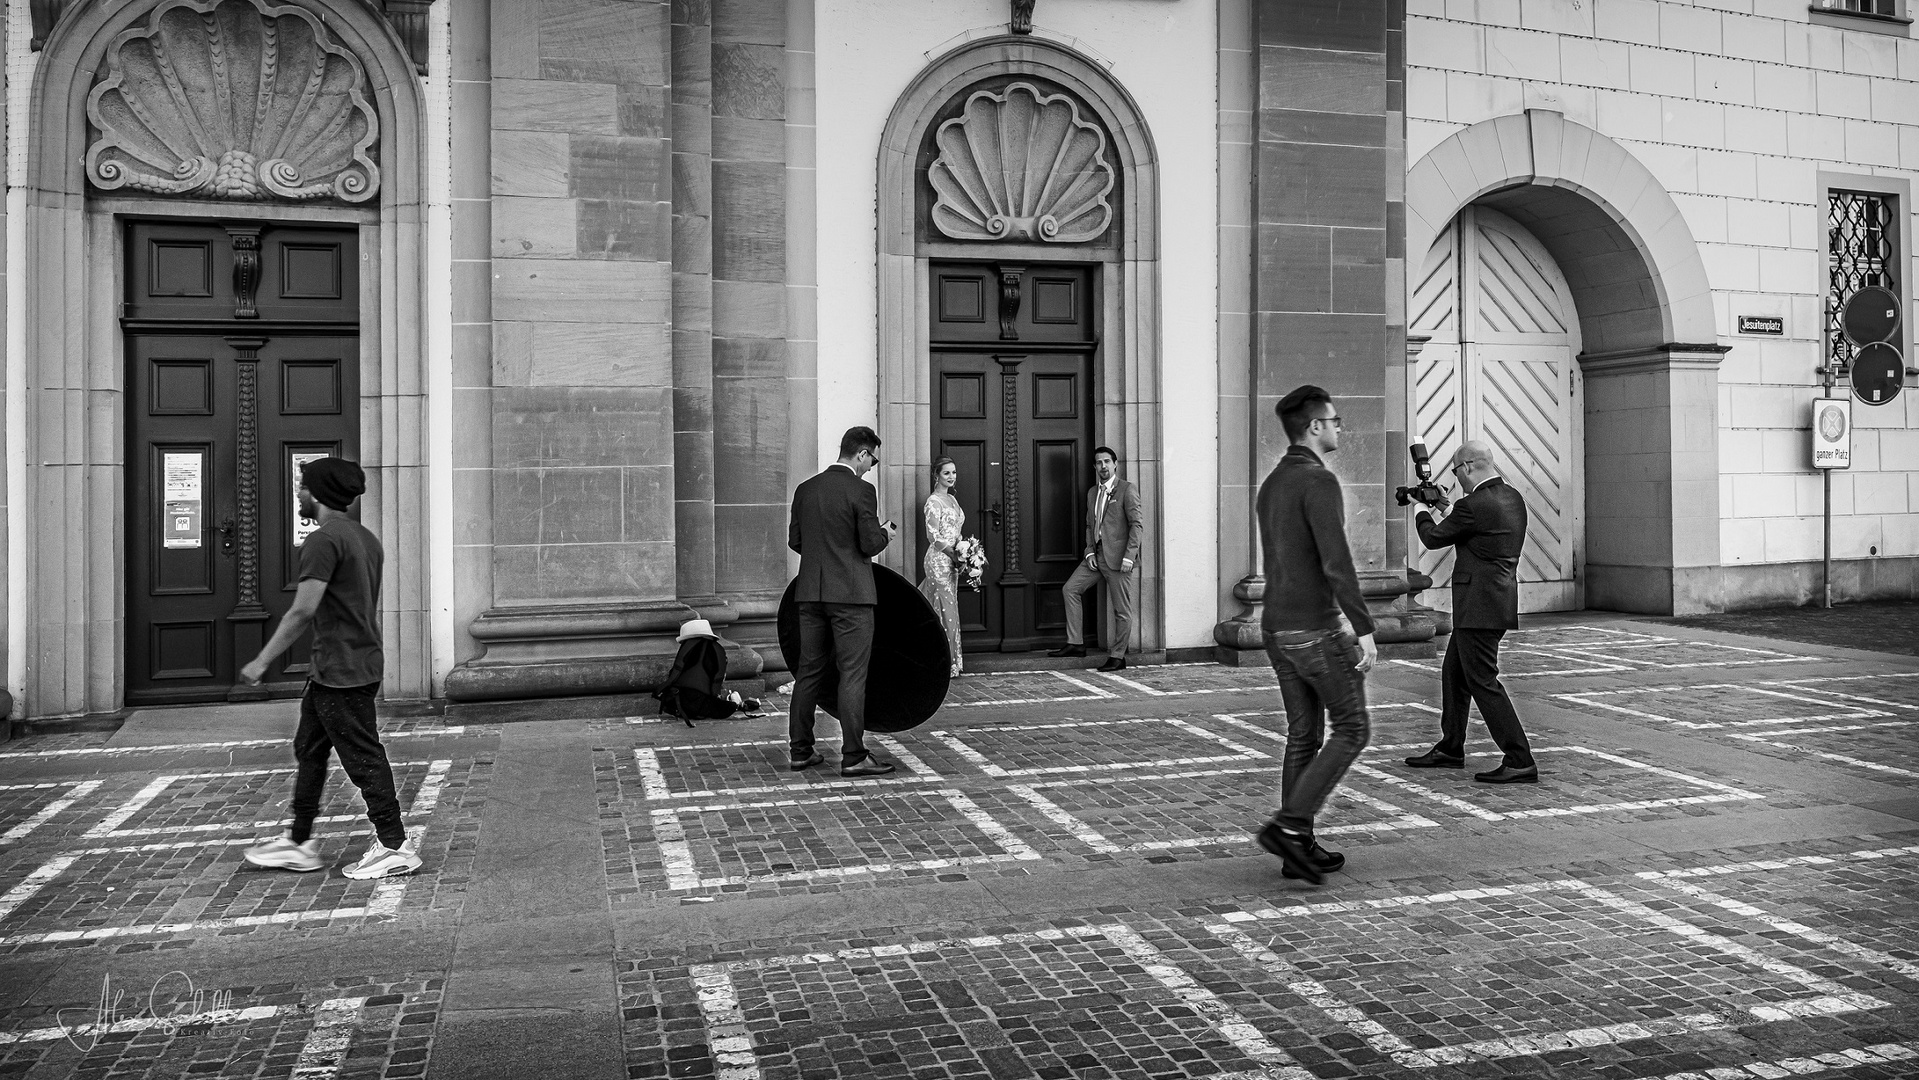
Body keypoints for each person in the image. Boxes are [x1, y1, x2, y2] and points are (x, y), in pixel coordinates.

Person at [239, 457, 422, 880]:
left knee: (362, 757)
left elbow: (303, 611)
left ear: (317, 494)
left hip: (342, 668)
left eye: (303, 487)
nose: (299, 494)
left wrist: (261, 661)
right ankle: (300, 842)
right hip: (340, 665)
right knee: (311, 748)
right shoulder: (364, 537)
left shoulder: (323, 542)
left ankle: (395, 845)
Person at [1252, 386, 1377, 886]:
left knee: (1303, 735)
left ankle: (1295, 848)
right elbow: (1336, 563)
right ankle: (1289, 827)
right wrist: (1364, 628)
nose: (1340, 427)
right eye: (1335, 419)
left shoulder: (1272, 483)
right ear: (1314, 427)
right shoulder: (1318, 482)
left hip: (1276, 628)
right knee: (1353, 728)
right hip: (1313, 630)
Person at [1404, 440, 1538, 783]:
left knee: (1482, 680)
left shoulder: (1474, 504)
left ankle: (1519, 758)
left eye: (1455, 471)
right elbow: (1477, 533)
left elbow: (1434, 538)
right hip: (1496, 600)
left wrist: (1420, 508)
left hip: (1479, 606)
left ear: (1466, 467)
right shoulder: (1511, 497)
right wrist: (1447, 508)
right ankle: (1451, 747)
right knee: (1454, 674)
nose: (1456, 477)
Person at [787, 426, 899, 777]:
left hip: (810, 594)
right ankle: (853, 755)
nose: (871, 467)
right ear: (862, 453)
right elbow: (868, 544)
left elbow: (796, 540)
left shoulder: (806, 489)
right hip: (851, 596)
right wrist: (886, 533)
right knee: (852, 674)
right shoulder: (862, 490)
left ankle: (800, 751)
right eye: (873, 459)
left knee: (808, 672)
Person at [1049, 446, 1142, 672]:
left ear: (1115, 464)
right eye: (1099, 463)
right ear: (1094, 466)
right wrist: (1089, 551)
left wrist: (1129, 556)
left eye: (1107, 462)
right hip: (1096, 557)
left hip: (1119, 560)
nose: (1103, 466)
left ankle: (1118, 657)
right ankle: (1076, 643)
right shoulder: (1093, 492)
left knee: (1122, 610)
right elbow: (1091, 524)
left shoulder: (1127, 490)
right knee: (1070, 589)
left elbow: (1137, 525)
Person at [654, 619, 762, 724]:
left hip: (683, 699)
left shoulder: (689, 646)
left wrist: (659, 691)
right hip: (705, 701)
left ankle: (732, 704)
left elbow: (674, 675)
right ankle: (734, 704)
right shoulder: (717, 649)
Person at [920, 457, 965, 678]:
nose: (951, 477)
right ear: (936, 475)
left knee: (951, 608)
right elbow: (933, 535)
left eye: (954, 472)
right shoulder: (933, 501)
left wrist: (965, 553)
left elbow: (956, 531)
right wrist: (953, 554)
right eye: (946, 473)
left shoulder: (953, 501)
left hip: (953, 560)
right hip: (938, 561)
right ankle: (943, 662)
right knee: (942, 608)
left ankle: (952, 661)